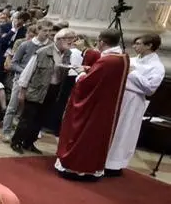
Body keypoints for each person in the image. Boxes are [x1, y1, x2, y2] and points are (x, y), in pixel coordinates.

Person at [55, 29, 130, 180]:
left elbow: (87, 83)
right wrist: (90, 69)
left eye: (98, 42)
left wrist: (82, 74)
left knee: (85, 133)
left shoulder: (107, 60)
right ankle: (92, 167)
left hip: (94, 105)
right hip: (107, 105)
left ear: (102, 42)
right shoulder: (123, 58)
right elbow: (104, 77)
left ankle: (77, 167)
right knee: (97, 136)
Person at [104, 33, 165, 175]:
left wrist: (134, 73)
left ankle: (114, 164)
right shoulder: (131, 60)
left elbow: (150, 89)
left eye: (139, 44)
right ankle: (103, 157)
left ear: (149, 46)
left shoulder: (157, 66)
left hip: (134, 100)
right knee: (112, 127)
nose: (135, 46)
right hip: (119, 95)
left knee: (124, 131)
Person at [11, 30, 74, 154]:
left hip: (53, 90)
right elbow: (28, 72)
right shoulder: (42, 52)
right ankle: (16, 141)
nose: (71, 42)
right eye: (68, 39)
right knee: (27, 118)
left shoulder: (67, 54)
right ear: (59, 39)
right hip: (37, 88)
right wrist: (22, 91)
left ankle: (29, 142)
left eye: (72, 39)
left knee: (41, 119)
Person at [2, 23, 48, 139]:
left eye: (49, 31)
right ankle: (6, 131)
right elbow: (14, 63)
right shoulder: (25, 45)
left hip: (36, 83)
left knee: (27, 110)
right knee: (12, 107)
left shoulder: (48, 47)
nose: (47, 34)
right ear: (38, 31)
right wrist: (25, 72)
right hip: (20, 80)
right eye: (45, 31)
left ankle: (21, 134)